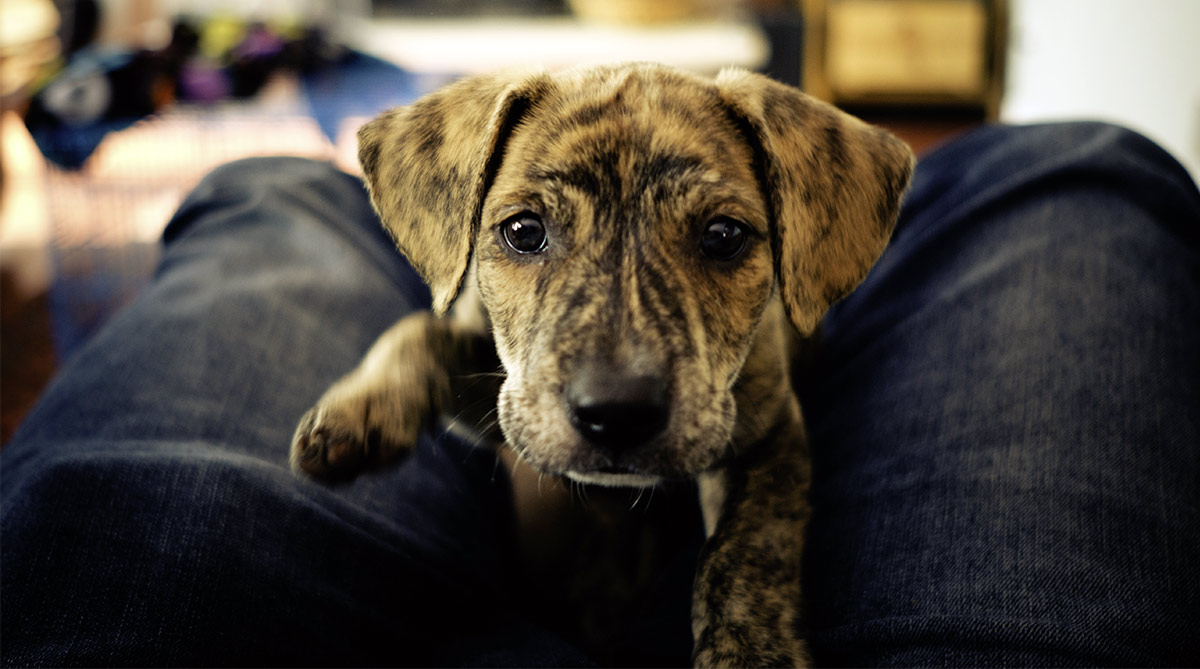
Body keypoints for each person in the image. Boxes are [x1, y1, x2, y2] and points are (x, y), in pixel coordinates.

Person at [2, 121, 1197, 667]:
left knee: (272, 196)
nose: (616, 364)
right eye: (530, 230)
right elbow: (436, 341)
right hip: (498, 543)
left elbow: (766, 442)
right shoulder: (469, 268)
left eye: (720, 236)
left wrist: (748, 607)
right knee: (1072, 174)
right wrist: (399, 373)